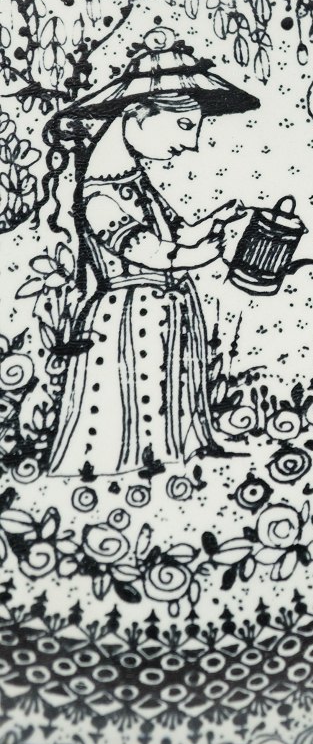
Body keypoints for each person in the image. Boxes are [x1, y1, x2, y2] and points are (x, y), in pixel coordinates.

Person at [46, 31, 257, 477]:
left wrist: (214, 223)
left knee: (169, 381)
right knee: (139, 383)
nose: (192, 142)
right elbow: (147, 249)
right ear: (135, 115)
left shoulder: (135, 183)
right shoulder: (100, 195)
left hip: (164, 303)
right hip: (130, 308)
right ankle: (130, 461)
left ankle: (182, 450)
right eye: (183, 125)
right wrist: (196, 256)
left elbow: (175, 233)